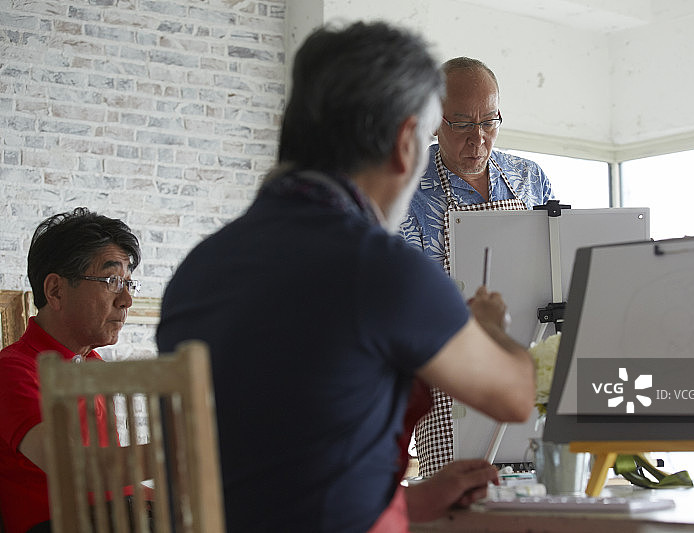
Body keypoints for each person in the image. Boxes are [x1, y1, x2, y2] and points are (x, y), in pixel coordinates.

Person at [156, 21, 536, 532]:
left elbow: (286, 474)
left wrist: (417, 500)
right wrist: (489, 325)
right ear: (407, 143)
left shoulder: (199, 268)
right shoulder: (381, 268)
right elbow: (514, 396)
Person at [399, 57, 555, 477]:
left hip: (525, 362)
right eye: (462, 123)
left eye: (490, 121)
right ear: (434, 120)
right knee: (458, 508)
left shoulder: (528, 177)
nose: (479, 138)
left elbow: (557, 265)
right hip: (448, 380)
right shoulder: (407, 190)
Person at [0, 207, 141, 533]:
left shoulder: (93, 367)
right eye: (111, 281)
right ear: (56, 291)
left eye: (128, 284)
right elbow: (79, 471)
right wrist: (178, 449)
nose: (126, 300)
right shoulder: (13, 371)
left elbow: (111, 486)